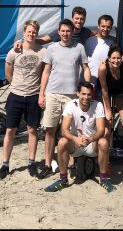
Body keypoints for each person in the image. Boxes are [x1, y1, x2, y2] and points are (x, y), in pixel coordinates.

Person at [38, 19, 91, 179]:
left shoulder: (79, 47)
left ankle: (71, 165)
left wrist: (87, 87)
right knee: (50, 130)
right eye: (63, 31)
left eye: (68, 31)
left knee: (70, 131)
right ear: (59, 32)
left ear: (72, 32)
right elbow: (46, 72)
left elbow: (85, 68)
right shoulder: (52, 48)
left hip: (71, 95)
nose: (66, 33)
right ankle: (47, 164)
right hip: (52, 94)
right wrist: (42, 94)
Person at [0, 20, 46, 180]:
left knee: (32, 130)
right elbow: (8, 74)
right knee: (10, 130)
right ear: (24, 33)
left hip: (33, 97)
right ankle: (5, 164)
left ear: (37, 34)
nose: (31, 34)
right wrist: (18, 87)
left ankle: (31, 162)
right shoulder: (14, 51)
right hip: (16, 96)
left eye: (34, 32)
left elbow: (46, 73)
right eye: (29, 32)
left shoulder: (42, 52)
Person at [44, 81, 115, 193]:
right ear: (77, 93)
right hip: (76, 144)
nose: (86, 97)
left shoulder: (98, 105)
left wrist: (90, 139)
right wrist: (75, 139)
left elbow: (101, 130)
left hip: (91, 143)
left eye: (89, 94)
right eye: (83, 94)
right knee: (62, 142)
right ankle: (63, 180)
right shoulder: (71, 105)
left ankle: (103, 179)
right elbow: (64, 129)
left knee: (103, 142)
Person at [97, 45, 123, 170]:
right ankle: (106, 160)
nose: (116, 61)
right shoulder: (103, 68)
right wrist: (108, 111)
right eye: (113, 58)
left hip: (119, 94)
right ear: (109, 58)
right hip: (106, 94)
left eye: (118, 58)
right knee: (108, 126)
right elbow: (104, 90)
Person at [13, 6, 94, 51]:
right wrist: (23, 41)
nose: (79, 21)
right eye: (77, 18)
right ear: (72, 18)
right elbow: (43, 40)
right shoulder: (62, 32)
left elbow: (98, 34)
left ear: (85, 19)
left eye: (81, 19)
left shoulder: (87, 32)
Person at [84, 15, 116, 86]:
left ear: (111, 28)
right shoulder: (89, 41)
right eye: (103, 26)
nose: (105, 29)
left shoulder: (113, 42)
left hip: (106, 81)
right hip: (91, 81)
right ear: (98, 26)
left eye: (108, 27)